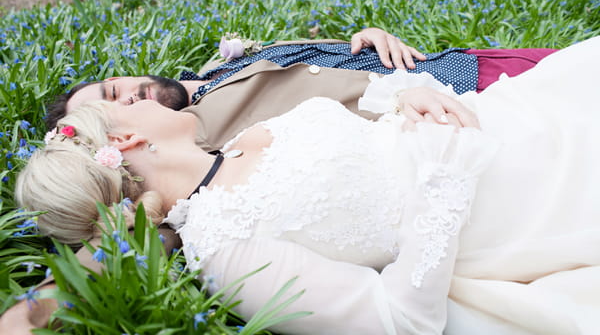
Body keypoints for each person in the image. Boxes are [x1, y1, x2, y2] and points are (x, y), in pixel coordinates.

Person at [12, 36, 600, 334]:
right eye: (125, 105)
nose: (140, 95)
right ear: (130, 142)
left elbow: (366, 117)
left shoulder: (241, 141)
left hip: (506, 123)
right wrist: (444, 180)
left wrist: (410, 96)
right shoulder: (223, 247)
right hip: (520, 210)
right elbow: (399, 319)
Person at [45, 28, 558, 151]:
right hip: (465, 105)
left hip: (463, 64)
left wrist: (365, 37)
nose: (127, 99)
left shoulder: (212, 70)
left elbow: (311, 67)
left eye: (113, 88)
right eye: (112, 114)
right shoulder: (199, 136)